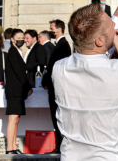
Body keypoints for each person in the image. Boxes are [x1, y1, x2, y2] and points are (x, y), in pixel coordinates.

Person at [52, 2, 118, 160]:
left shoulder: (59, 69)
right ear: (99, 41)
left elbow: (95, 57)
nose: (116, 29)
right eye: (112, 26)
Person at [43, 18, 71, 153]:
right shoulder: (60, 45)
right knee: (56, 116)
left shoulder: (63, 45)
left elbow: (55, 67)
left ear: (59, 29)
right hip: (56, 86)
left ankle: (61, 146)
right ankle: (59, 145)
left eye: (52, 28)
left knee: (58, 116)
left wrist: (46, 80)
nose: (50, 31)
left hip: (57, 87)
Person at [4, 29, 32, 154]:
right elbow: (19, 73)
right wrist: (28, 87)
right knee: (13, 119)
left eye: (23, 37)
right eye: (18, 38)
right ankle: (10, 148)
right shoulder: (12, 53)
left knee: (16, 119)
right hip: (14, 90)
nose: (21, 40)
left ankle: (13, 146)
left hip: (17, 90)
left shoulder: (16, 52)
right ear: (12, 39)